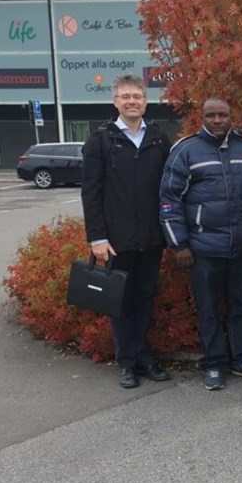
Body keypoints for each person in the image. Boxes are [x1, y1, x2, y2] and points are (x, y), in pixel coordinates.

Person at [159, 98, 242, 391]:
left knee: (241, 305)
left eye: (223, 115)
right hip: (203, 249)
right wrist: (178, 244)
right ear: (202, 118)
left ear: (232, 117)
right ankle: (215, 363)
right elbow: (169, 200)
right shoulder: (185, 151)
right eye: (211, 115)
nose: (218, 120)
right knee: (208, 308)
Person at [81, 74, 172, 389]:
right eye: (125, 96)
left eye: (137, 96)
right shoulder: (101, 140)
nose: (132, 101)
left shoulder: (159, 139)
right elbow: (91, 193)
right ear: (115, 101)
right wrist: (98, 238)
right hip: (115, 241)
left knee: (145, 299)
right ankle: (126, 361)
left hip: (151, 237)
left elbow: (168, 189)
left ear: (145, 101)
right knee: (120, 301)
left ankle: (144, 356)